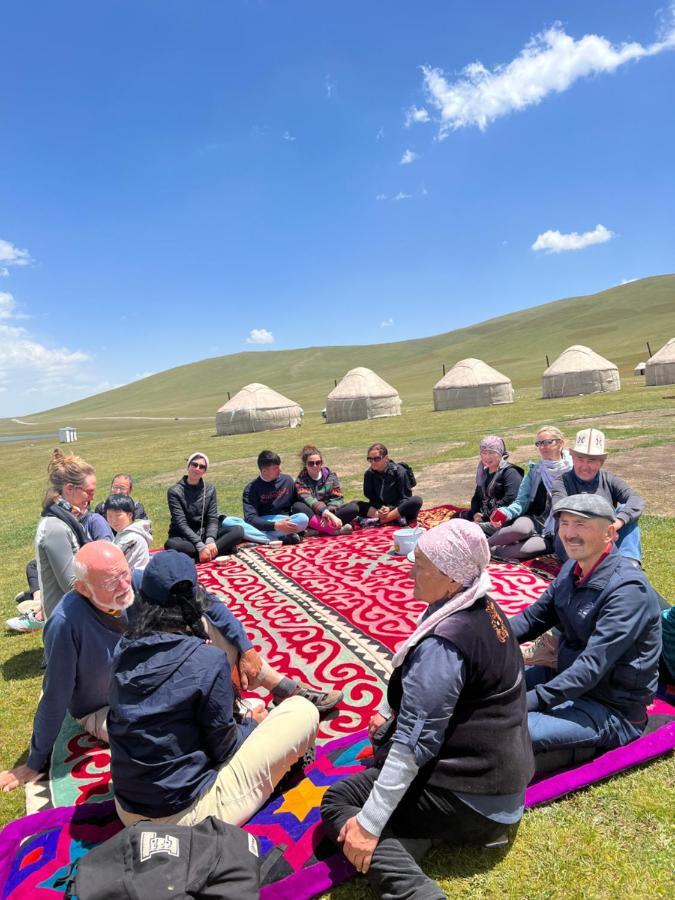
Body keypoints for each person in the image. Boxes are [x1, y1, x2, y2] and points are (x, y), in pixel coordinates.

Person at [0, 544, 342, 794]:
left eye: (124, 574)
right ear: (82, 589)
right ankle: (242, 720)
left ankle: (283, 688)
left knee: (205, 621)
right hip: (107, 705)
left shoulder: (134, 583)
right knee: (175, 737)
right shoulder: (64, 624)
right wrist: (36, 760)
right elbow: (55, 695)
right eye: (111, 582)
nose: (124, 586)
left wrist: (247, 649)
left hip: (154, 670)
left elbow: (209, 603)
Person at [321, 519, 533, 898]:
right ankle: (421, 834)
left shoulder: (445, 644)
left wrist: (369, 826)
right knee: (383, 772)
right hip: (500, 779)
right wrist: (389, 708)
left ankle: (415, 892)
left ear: (451, 577)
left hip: (478, 799)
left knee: (341, 800)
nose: (410, 569)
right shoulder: (480, 604)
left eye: (420, 564)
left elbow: (412, 744)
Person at [108, 551, 320, 826]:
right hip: (183, 815)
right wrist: (253, 724)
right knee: (301, 710)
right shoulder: (206, 659)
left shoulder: (122, 649)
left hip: (125, 809)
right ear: (196, 601)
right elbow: (225, 748)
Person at [510, 494, 662, 759]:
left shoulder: (627, 591)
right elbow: (532, 620)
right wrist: (487, 639)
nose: (569, 534)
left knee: (509, 731)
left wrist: (529, 702)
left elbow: (591, 667)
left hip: (609, 706)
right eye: (565, 523)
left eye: (581, 525)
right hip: (563, 677)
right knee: (491, 690)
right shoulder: (572, 569)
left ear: (609, 533)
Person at [6, 448, 97, 633]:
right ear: (70, 489)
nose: (92, 498)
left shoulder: (67, 519)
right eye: (89, 492)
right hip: (68, 627)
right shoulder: (55, 528)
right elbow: (71, 585)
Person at [550, 428, 644, 563]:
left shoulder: (610, 479)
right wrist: (600, 529)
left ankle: (630, 563)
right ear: (573, 458)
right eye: (580, 459)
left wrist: (617, 523)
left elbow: (636, 500)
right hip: (572, 540)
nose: (585, 466)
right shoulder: (561, 482)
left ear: (601, 462)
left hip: (607, 536)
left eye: (592, 460)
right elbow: (561, 509)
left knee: (625, 510)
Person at [487, 426, 572, 560]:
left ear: (560, 442)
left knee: (521, 551)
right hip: (534, 519)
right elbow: (522, 501)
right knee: (520, 529)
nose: (542, 447)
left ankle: (492, 551)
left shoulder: (573, 470)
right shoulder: (535, 471)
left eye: (547, 442)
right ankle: (480, 546)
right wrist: (506, 512)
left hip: (557, 528)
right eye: (539, 443)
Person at [165, 452, 244, 561]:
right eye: (194, 464)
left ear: (204, 471)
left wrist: (210, 540)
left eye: (202, 467)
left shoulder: (210, 489)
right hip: (184, 537)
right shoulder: (174, 491)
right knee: (172, 545)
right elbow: (181, 523)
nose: (197, 468)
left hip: (204, 534)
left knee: (238, 530)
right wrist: (199, 545)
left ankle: (202, 555)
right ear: (188, 466)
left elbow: (212, 518)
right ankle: (213, 551)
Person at [458, 436, 523, 536]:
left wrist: (485, 517)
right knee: (456, 518)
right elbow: (476, 498)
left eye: (492, 453)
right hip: (483, 515)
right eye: (484, 453)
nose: (487, 457)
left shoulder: (511, 472)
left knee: (467, 530)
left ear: (500, 453)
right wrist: (475, 513)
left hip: (501, 519)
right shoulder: (484, 473)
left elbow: (510, 499)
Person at [242, 450, 309, 545]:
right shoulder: (251, 489)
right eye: (276, 468)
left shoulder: (287, 480)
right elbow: (251, 518)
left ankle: (263, 538)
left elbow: (296, 504)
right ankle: (277, 538)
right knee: (233, 523)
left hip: (286, 520)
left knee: (303, 518)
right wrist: (275, 525)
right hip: (264, 523)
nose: (280, 470)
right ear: (264, 471)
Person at [292, 445, 359, 536]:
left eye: (318, 462)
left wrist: (328, 513)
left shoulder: (331, 476)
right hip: (313, 514)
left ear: (321, 463)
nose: (315, 466)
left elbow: (337, 497)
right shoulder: (300, 481)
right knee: (297, 506)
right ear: (305, 464)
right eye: (311, 463)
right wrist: (326, 514)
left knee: (353, 508)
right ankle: (334, 531)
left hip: (329, 513)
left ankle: (317, 530)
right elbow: (309, 501)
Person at [358, 443, 422, 526]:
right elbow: (372, 498)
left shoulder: (400, 472)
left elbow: (405, 498)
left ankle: (382, 520)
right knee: (356, 505)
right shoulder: (369, 474)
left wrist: (390, 508)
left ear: (386, 458)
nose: (372, 462)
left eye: (377, 458)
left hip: (397, 509)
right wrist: (381, 509)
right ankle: (386, 519)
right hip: (379, 510)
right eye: (370, 459)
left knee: (416, 500)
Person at [105, 494, 153, 570]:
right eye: (109, 516)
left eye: (118, 515)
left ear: (130, 515)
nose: (113, 520)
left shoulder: (132, 539)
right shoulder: (123, 532)